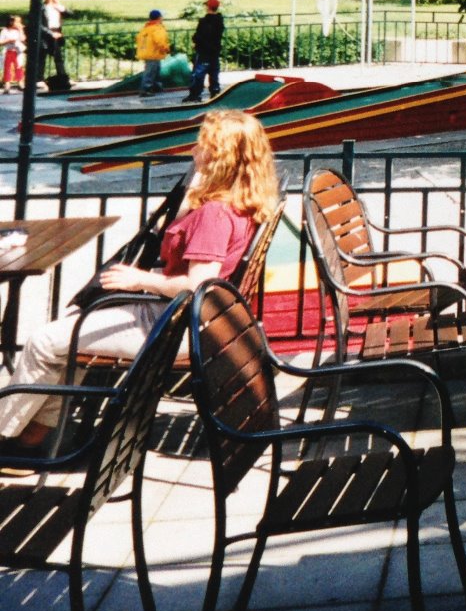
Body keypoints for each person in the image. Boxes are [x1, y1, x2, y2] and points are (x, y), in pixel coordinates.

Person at [0, 110, 278, 455]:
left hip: (172, 327)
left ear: (221, 158)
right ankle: (35, 436)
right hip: (191, 321)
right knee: (67, 333)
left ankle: (7, 435)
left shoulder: (214, 215)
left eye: (202, 147)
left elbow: (198, 284)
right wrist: (195, 186)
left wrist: (137, 279)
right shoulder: (239, 204)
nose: (194, 152)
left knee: (43, 341)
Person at [184, 0, 225, 103]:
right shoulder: (220, 21)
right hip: (215, 51)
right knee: (214, 73)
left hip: (203, 51)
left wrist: (195, 40)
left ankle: (195, 94)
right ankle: (215, 93)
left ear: (208, 7)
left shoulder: (204, 22)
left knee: (198, 74)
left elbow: (199, 36)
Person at [136, 9, 171, 97]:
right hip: (153, 53)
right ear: (159, 17)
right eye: (162, 17)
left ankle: (156, 87)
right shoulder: (157, 28)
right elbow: (160, 41)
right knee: (150, 72)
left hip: (146, 52)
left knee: (155, 71)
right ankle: (145, 90)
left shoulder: (146, 28)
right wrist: (166, 49)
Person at [39, 0, 68, 84]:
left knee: (58, 57)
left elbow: (70, 14)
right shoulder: (42, 8)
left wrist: (61, 7)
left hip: (57, 32)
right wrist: (51, 33)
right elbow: (39, 24)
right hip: (47, 33)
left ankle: (63, 77)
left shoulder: (57, 7)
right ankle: (39, 79)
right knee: (42, 57)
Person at [1, 15, 24, 95]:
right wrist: (8, 40)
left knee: (19, 67)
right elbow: (1, 42)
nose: (19, 24)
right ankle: (7, 84)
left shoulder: (18, 31)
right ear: (11, 22)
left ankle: (20, 83)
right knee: (7, 68)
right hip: (8, 51)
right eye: (17, 22)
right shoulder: (5, 31)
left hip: (17, 51)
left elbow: (23, 39)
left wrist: (21, 30)